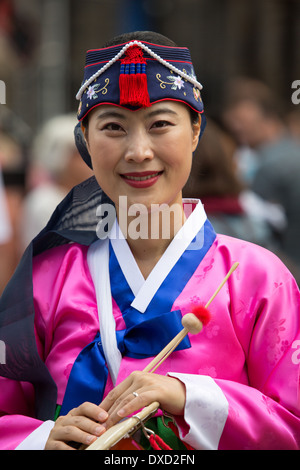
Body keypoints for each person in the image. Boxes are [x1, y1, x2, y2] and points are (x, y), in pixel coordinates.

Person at [0, 31, 299, 451]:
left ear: (195, 131)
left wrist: (188, 397)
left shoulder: (258, 278)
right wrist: (40, 439)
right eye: (113, 127)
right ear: (84, 138)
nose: (139, 151)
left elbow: (294, 424)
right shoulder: (48, 278)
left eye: (160, 124)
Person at [223, 77, 300, 271]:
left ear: (268, 118)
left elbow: (252, 230)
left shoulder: (272, 166)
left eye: (243, 121)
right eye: (234, 122)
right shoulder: (290, 151)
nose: (237, 128)